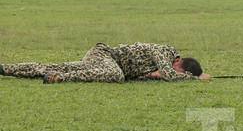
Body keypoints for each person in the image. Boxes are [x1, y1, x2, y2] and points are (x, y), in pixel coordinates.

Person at [0, 42, 211, 83]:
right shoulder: (163, 52)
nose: (170, 70)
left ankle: (6, 68)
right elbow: (170, 74)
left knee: (52, 65)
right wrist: (196, 79)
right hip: (105, 56)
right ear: (178, 61)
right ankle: (61, 78)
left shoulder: (164, 64)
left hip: (103, 60)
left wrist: (154, 75)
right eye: (178, 69)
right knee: (116, 76)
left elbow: (161, 74)